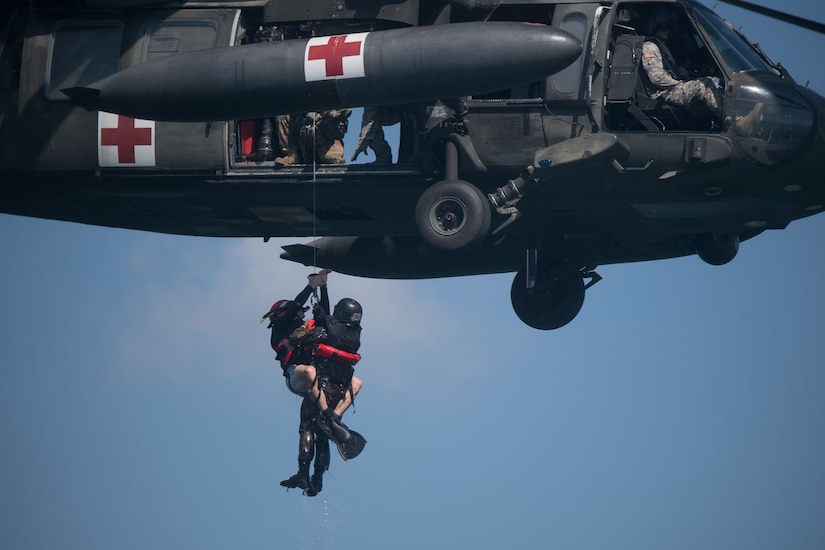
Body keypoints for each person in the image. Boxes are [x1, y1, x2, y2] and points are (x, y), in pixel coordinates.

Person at [263, 270, 365, 496]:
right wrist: (311, 286)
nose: (301, 312)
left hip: (319, 383)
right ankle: (329, 418)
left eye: (302, 311)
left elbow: (328, 320)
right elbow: (293, 307)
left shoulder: (309, 327)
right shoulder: (281, 330)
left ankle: (316, 476)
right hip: (297, 377)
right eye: (298, 311)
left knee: (320, 430)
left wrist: (324, 287)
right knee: (309, 372)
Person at [641, 7, 723, 122]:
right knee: (705, 84)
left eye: (670, 28)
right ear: (655, 26)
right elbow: (657, 78)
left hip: (670, 91)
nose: (669, 31)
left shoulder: (664, 49)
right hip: (663, 94)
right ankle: (734, 121)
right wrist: (680, 84)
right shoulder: (649, 46)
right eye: (665, 27)